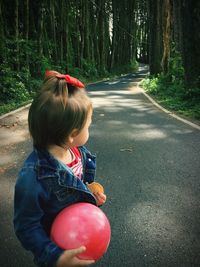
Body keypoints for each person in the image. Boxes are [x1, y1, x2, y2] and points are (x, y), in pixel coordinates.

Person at [13, 70, 107, 267]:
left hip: (79, 235)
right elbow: (26, 226)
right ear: (72, 134)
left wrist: (89, 195)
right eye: (88, 126)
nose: (89, 129)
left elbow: (75, 186)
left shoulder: (76, 152)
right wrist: (55, 257)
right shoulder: (34, 176)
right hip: (58, 249)